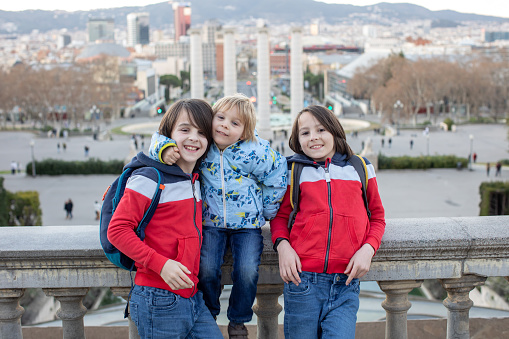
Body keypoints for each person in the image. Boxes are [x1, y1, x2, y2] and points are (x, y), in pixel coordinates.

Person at [149, 93, 287, 338]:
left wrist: (266, 210)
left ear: (245, 132)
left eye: (234, 123)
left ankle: (238, 320)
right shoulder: (204, 147)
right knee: (207, 268)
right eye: (220, 118)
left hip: (248, 226)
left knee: (246, 271)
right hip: (210, 222)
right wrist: (165, 148)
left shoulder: (255, 151)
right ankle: (210, 312)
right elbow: (159, 138)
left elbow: (278, 174)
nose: (224, 125)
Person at [107, 99, 223, 339]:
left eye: (202, 132)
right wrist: (161, 264)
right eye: (185, 129)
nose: (193, 138)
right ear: (168, 135)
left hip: (192, 296)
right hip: (157, 298)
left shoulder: (195, 181)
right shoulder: (150, 177)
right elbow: (117, 230)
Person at [271, 105, 386, 339]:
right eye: (305, 132)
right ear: (297, 139)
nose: (313, 137)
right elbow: (280, 217)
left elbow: (378, 216)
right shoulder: (293, 170)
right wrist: (282, 246)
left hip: (346, 283)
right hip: (303, 282)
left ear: (334, 131)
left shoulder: (361, 168)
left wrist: (368, 249)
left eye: (321, 129)